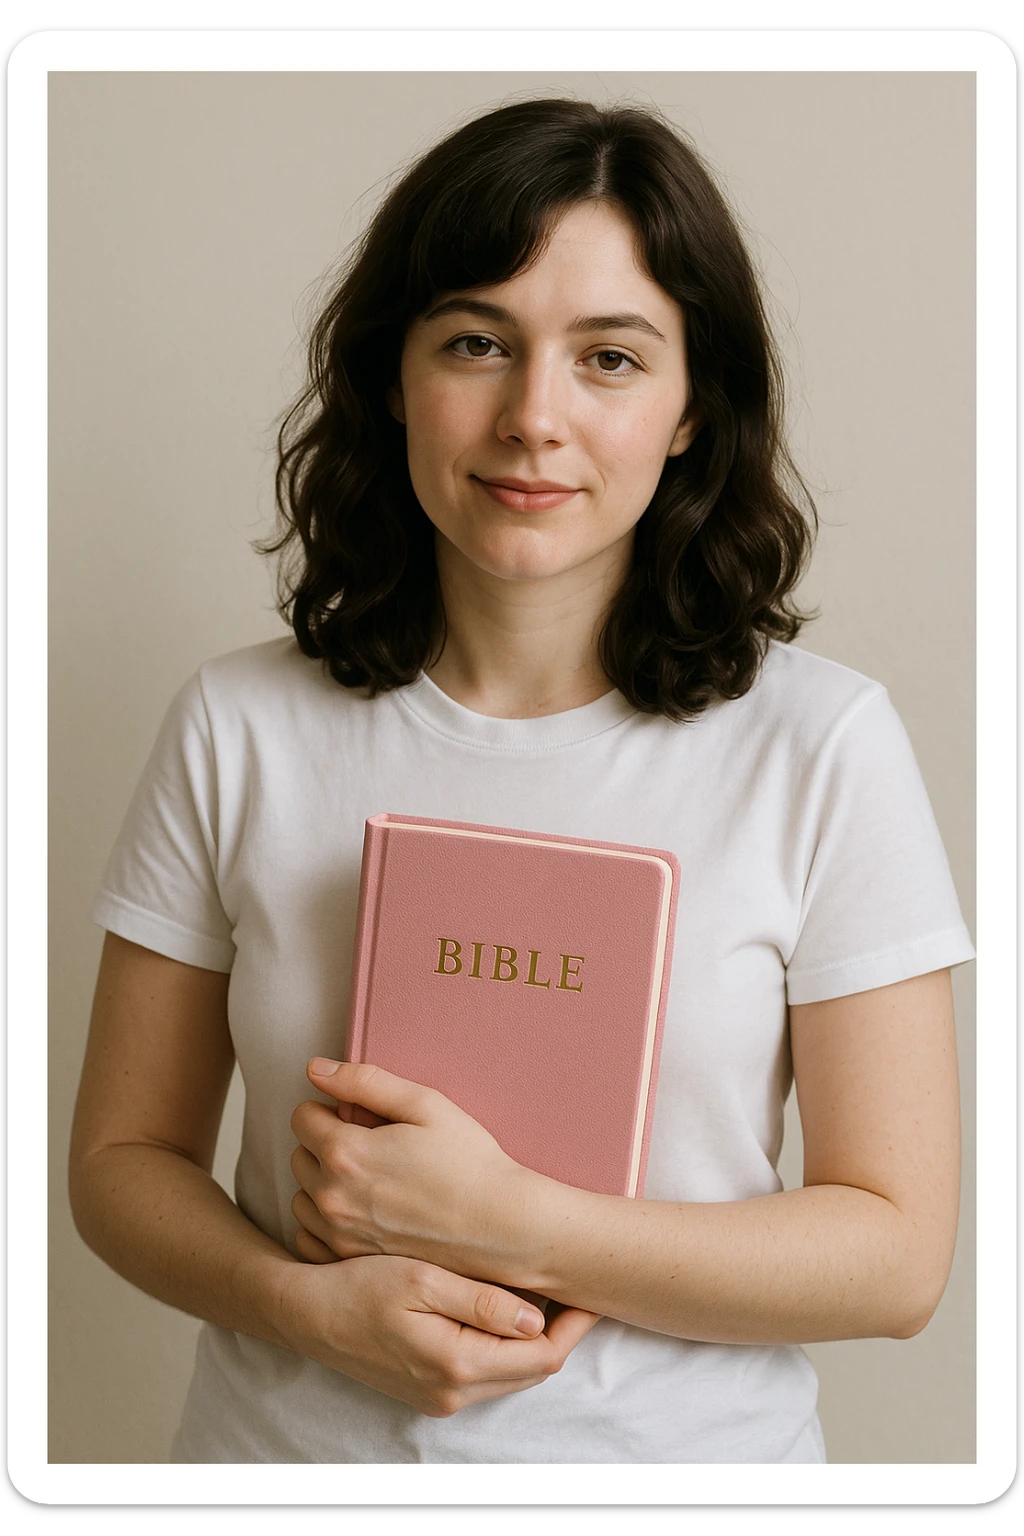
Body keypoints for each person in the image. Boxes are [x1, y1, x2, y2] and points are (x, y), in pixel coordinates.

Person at [69, 98, 974, 1465]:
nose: (533, 417)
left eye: (611, 358)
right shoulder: (237, 724)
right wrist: (305, 1308)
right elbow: (121, 1165)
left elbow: (897, 1259)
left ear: (689, 414)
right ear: (393, 375)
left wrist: (509, 1222)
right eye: (477, 343)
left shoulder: (823, 748)